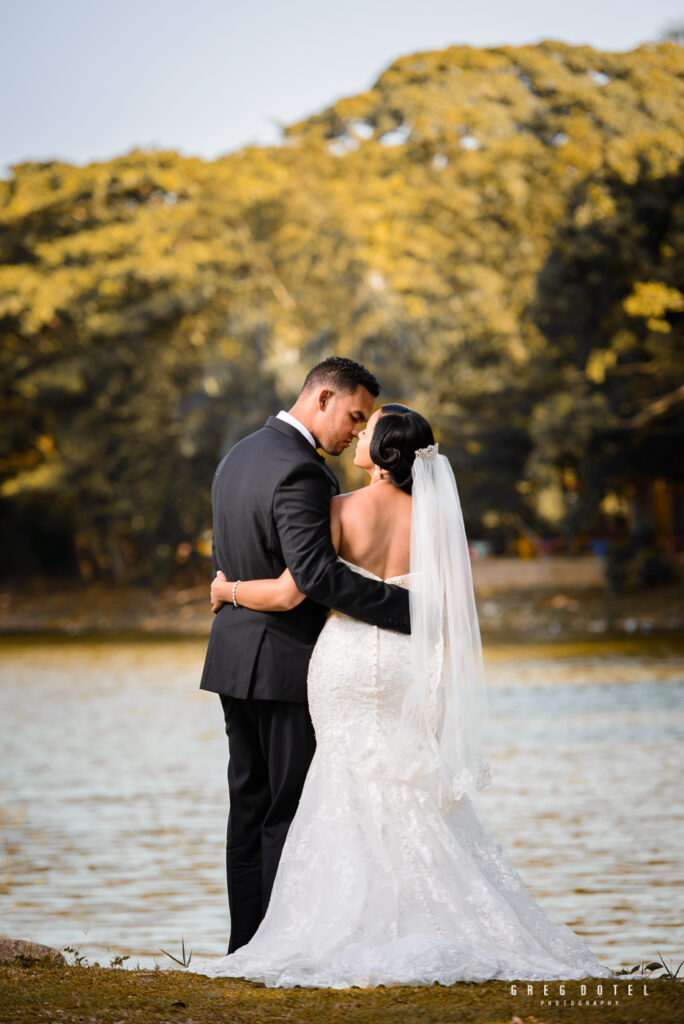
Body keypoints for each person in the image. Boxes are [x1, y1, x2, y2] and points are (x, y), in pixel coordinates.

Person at [189, 403, 615, 987]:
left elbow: (292, 592)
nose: (358, 434)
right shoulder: (437, 522)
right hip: (408, 665)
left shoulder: (339, 509)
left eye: (368, 429)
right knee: (406, 777)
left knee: (343, 776)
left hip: (344, 660)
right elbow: (446, 609)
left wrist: (227, 589)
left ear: (383, 453)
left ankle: (337, 922)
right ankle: (431, 916)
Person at [199, 357, 411, 955]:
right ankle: (273, 947)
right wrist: (409, 610)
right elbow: (315, 576)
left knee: (248, 809)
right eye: (353, 416)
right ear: (321, 398)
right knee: (286, 814)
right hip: (286, 663)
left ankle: (245, 947)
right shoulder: (302, 473)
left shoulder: (236, 456)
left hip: (233, 657)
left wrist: (228, 594)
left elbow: (237, 557)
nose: (355, 432)